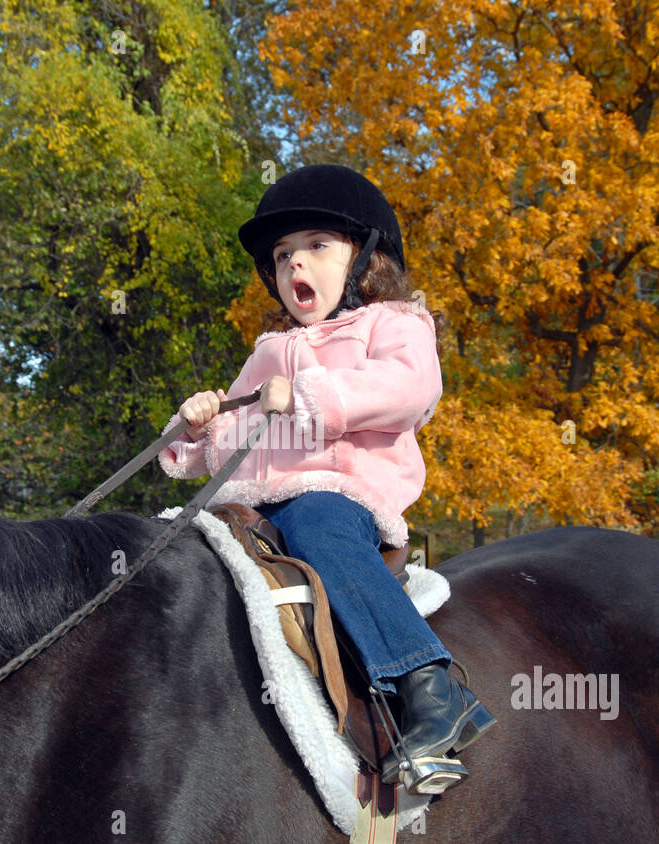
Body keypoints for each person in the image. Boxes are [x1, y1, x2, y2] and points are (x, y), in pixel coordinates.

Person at [158, 164, 494, 791]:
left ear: (366, 260)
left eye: (316, 247)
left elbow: (409, 388)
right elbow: (233, 443)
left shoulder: (394, 323)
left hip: (339, 495)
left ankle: (429, 684)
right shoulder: (267, 352)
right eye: (283, 256)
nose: (294, 266)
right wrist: (200, 428)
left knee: (317, 527)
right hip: (251, 509)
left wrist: (315, 395)